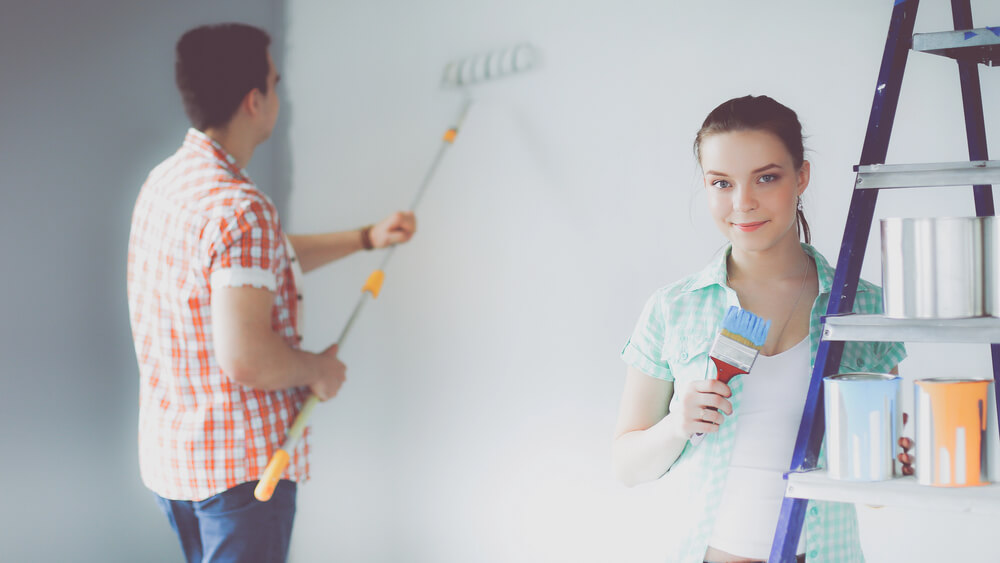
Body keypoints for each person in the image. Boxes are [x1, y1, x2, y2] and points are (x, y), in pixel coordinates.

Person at [126, 23, 416, 562]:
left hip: (178, 466)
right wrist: (318, 371)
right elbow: (248, 360)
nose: (281, 95)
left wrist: (365, 238)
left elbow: (257, 266)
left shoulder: (167, 184)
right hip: (240, 480)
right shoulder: (241, 209)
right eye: (275, 83)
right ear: (254, 101)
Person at [613, 95, 906, 563]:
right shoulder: (673, 309)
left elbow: (875, 492)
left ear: (801, 177)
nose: (743, 203)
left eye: (766, 178)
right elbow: (628, 468)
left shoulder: (863, 307)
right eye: (721, 183)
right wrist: (677, 425)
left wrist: (892, 461)